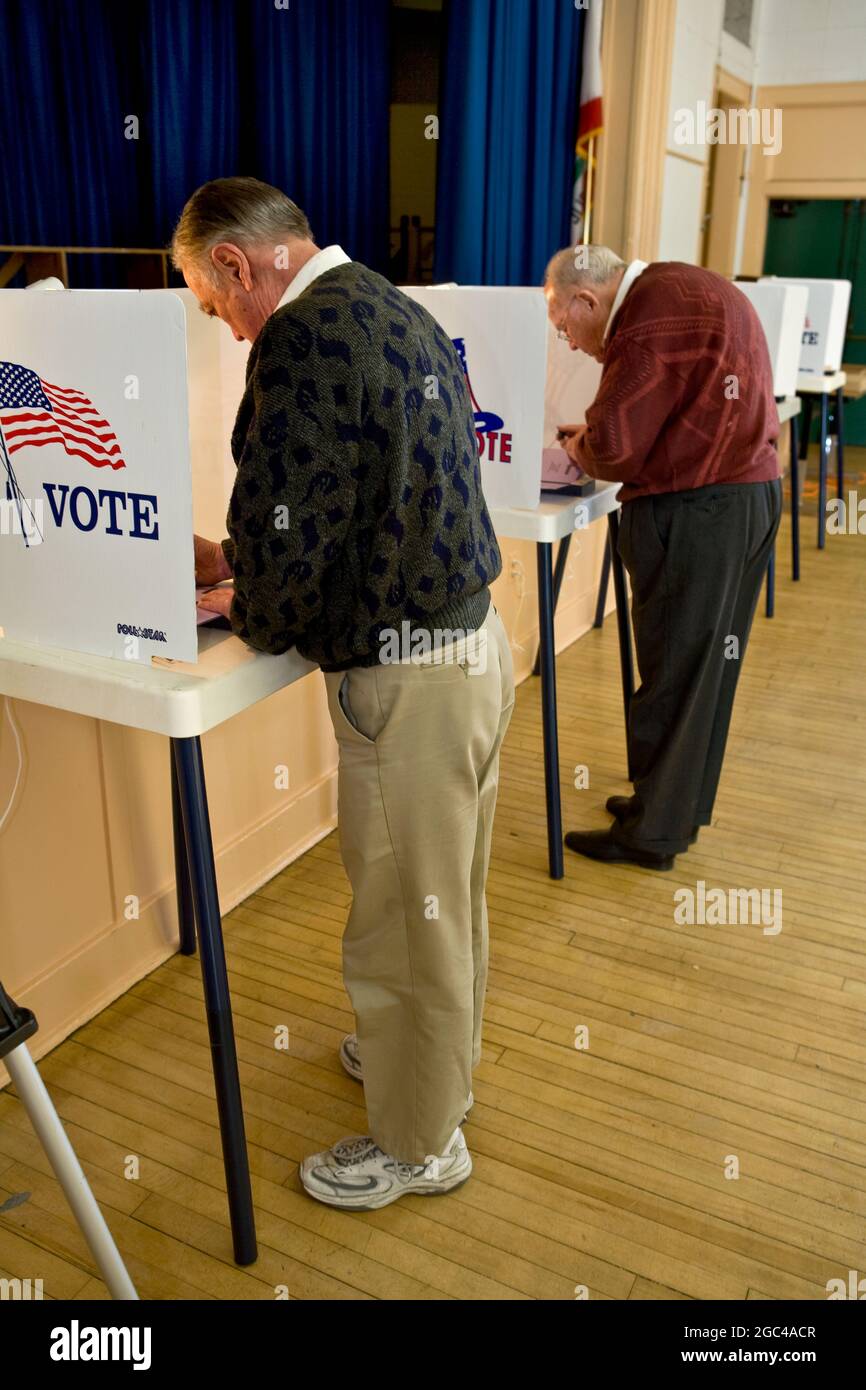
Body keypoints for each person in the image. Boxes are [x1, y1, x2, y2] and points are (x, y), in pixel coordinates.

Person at [172, 177, 514, 1209]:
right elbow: (357, 492)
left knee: (403, 916)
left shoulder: (300, 337)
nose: (223, 329)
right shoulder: (386, 300)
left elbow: (289, 530)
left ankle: (418, 1142)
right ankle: (428, 1058)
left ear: (238, 265)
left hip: (403, 674)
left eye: (208, 299)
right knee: (447, 894)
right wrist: (242, 559)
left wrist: (246, 599)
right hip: (469, 643)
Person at [543, 245, 782, 870]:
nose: (570, 344)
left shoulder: (644, 320)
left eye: (565, 326)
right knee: (705, 674)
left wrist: (581, 443)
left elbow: (618, 449)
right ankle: (672, 807)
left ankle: (651, 836)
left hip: (699, 510)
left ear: (588, 300)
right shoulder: (687, 284)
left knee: (674, 671)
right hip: (750, 494)